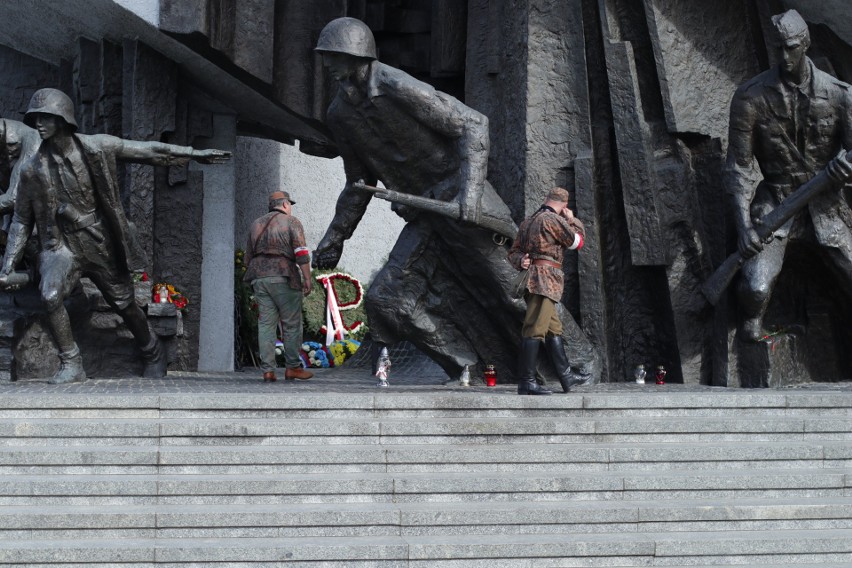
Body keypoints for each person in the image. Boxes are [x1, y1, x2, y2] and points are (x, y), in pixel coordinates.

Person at [312, 17, 597, 382]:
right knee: (387, 300)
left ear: (357, 55)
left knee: (515, 289)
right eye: (325, 56)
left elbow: (473, 124)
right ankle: (468, 367)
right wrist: (335, 238)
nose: (326, 63)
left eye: (333, 55)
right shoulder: (340, 114)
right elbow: (358, 183)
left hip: (458, 198)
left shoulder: (394, 85)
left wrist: (470, 195)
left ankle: (580, 364)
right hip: (424, 216)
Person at [0, 88, 230, 384]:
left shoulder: (96, 147)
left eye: (45, 117)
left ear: (63, 120)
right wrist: (8, 267)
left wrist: (194, 154)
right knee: (51, 294)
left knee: (125, 305)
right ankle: (71, 362)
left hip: (99, 241)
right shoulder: (32, 169)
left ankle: (151, 349)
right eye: (35, 118)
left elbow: (148, 151)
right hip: (60, 248)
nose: (38, 124)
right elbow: (20, 219)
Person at [725, 9, 852, 342]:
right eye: (779, 48)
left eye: (791, 47)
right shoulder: (750, 97)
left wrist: (844, 173)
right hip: (776, 206)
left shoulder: (840, 95)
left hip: (826, 206)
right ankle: (753, 337)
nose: (784, 56)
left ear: (805, 44)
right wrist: (745, 228)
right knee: (754, 289)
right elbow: (738, 169)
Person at [508, 187, 585, 395]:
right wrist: (573, 220)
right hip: (545, 282)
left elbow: (513, 252)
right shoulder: (553, 219)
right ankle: (526, 381)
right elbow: (577, 242)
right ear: (564, 205)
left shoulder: (529, 221)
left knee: (553, 328)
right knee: (534, 328)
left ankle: (566, 377)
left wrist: (521, 261)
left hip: (532, 280)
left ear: (546, 199)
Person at [244, 191, 313, 382]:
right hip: (284, 276)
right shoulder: (292, 222)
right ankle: (293, 368)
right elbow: (301, 253)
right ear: (284, 205)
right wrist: (307, 278)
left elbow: (248, 257)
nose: (290, 208)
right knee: (291, 323)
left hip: (259, 278)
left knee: (266, 325)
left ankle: (268, 371)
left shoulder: (256, 224)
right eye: (289, 204)